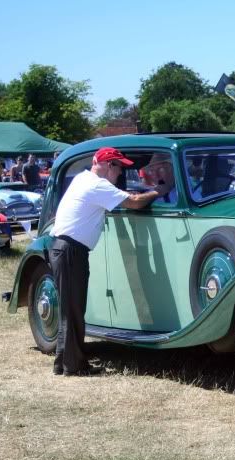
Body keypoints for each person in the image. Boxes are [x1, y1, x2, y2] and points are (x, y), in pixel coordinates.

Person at [49, 147, 171, 377]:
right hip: (70, 251)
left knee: (71, 308)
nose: (120, 173)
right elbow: (134, 202)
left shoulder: (83, 179)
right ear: (107, 165)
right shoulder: (97, 185)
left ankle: (64, 362)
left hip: (65, 249)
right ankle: (74, 366)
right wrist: (158, 191)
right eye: (118, 168)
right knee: (74, 309)